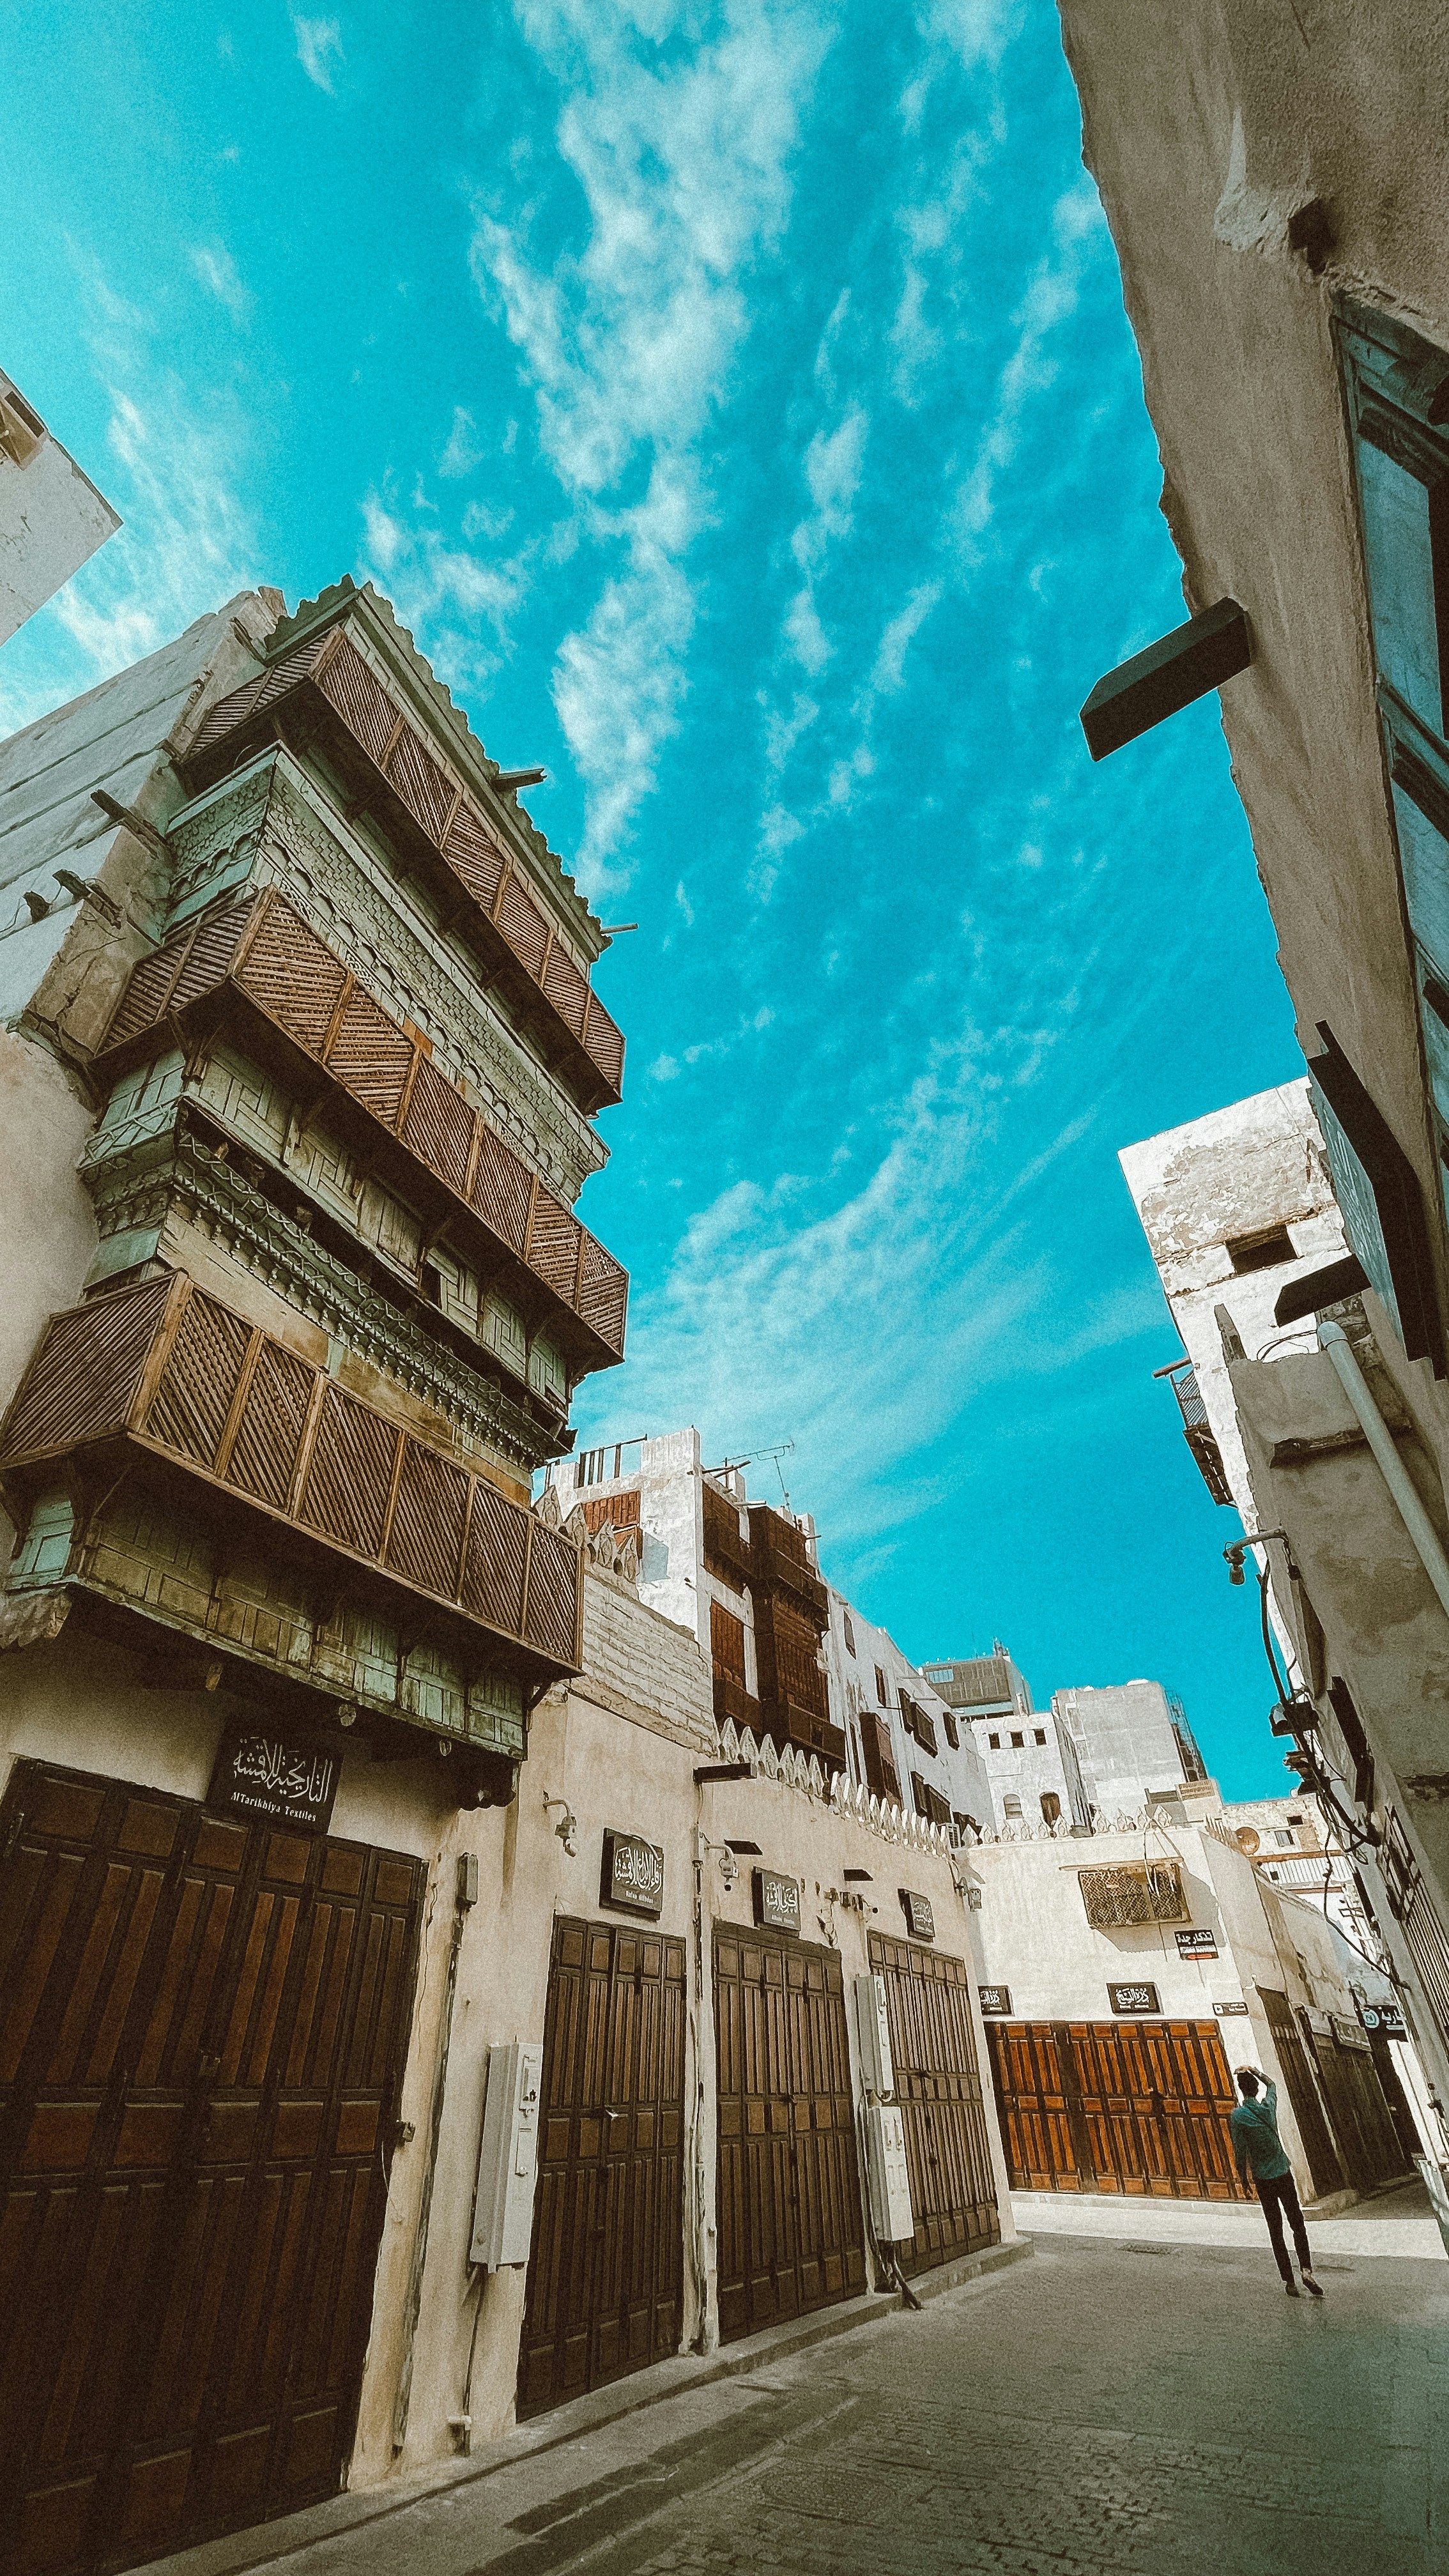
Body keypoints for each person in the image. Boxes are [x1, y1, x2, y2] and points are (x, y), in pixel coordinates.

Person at [1230, 2066, 1323, 2297]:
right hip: (1282, 2171)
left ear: (1241, 2090)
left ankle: (1289, 2281)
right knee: (1297, 2222)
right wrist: (1254, 2070)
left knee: (1276, 2229)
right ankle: (1306, 2269)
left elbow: (1240, 2152)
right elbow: (1272, 2085)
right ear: (1256, 2088)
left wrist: (1243, 2179)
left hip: (1263, 2178)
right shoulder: (1268, 2107)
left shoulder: (1238, 2116)